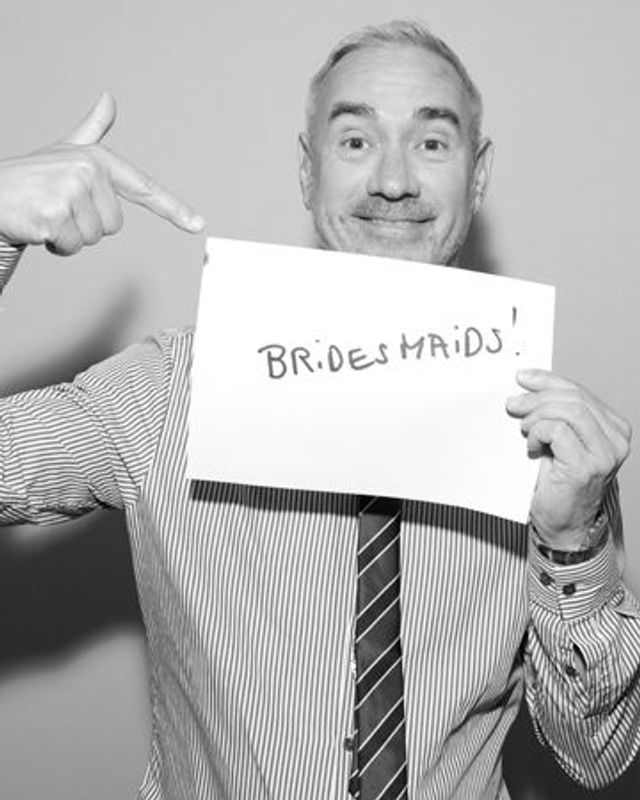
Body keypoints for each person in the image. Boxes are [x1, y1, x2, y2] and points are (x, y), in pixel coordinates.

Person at [1, 19, 639, 800]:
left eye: (432, 142)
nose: (394, 180)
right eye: (356, 140)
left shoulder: (554, 448)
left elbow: (596, 757)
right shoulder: (167, 393)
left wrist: (574, 541)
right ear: (309, 171)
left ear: (478, 177)